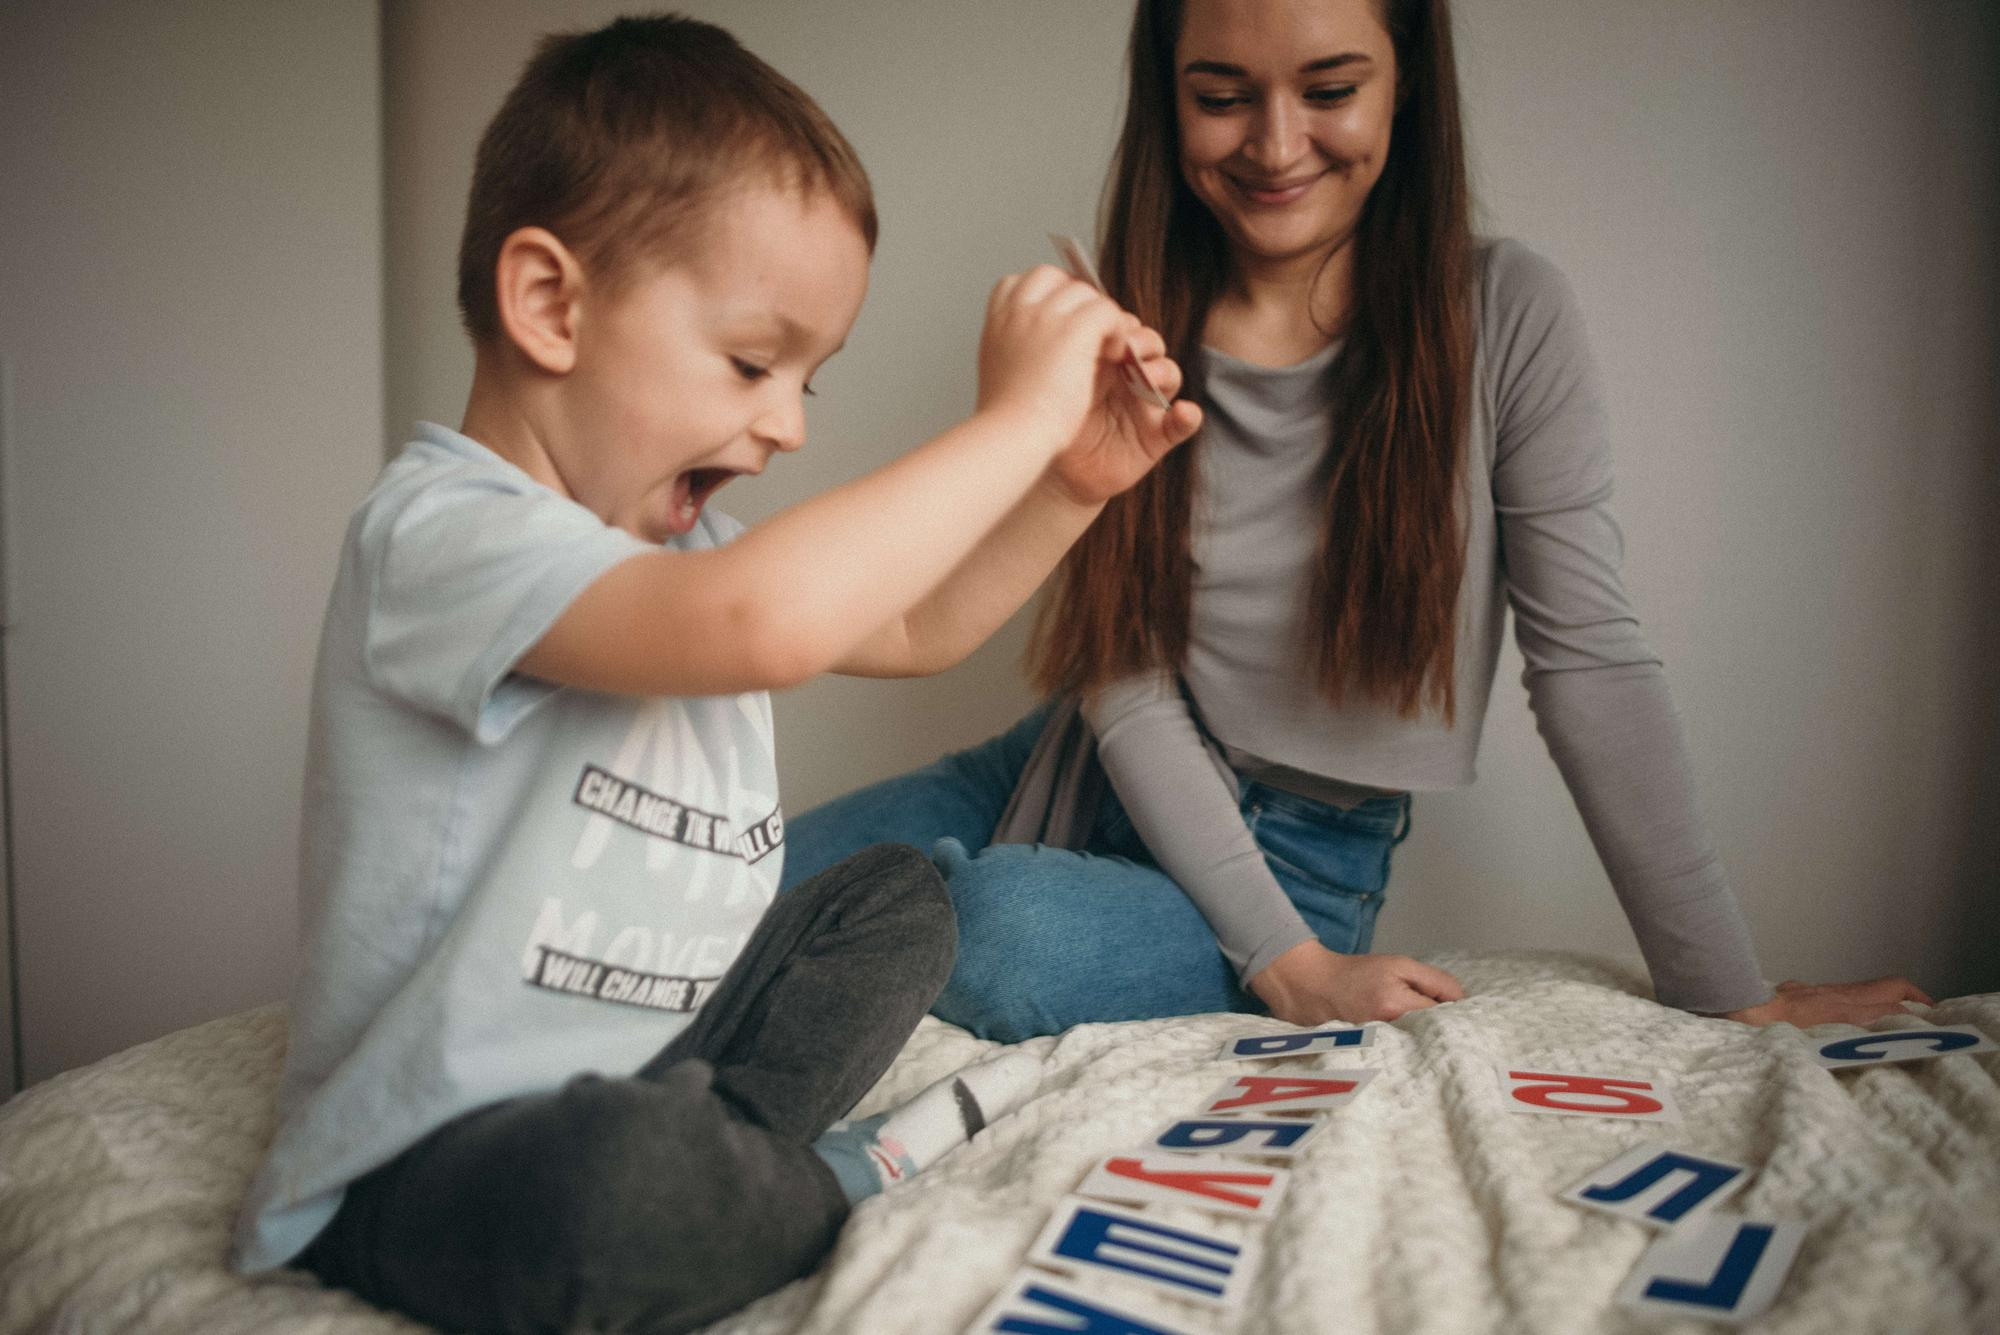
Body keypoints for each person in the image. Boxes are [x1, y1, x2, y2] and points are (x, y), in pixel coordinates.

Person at [229, 16, 1199, 1334]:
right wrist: (1011, 419)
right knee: (614, 1191)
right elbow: (765, 624)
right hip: (432, 1157)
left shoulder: (675, 550)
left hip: (651, 1056)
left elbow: (914, 626)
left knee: (901, 898)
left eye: (808, 377)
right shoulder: (441, 534)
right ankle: (806, 1184)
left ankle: (722, 1150)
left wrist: (1071, 483)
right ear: (551, 305)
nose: (788, 422)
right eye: (754, 362)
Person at [782, 0, 1928, 1043]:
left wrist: (1721, 985)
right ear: (1167, 97)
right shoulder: (1129, 315)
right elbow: (1121, 677)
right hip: (1064, 765)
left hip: (1295, 859)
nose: (1275, 146)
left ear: (1404, 87)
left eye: (1328, 91)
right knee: (747, 878)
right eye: (1222, 98)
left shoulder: (1506, 311)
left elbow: (1589, 663)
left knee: (989, 930)